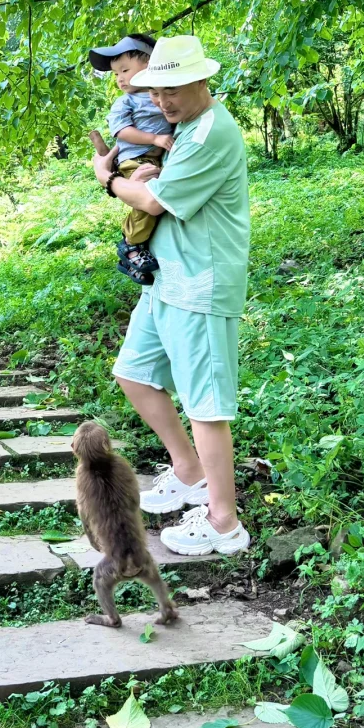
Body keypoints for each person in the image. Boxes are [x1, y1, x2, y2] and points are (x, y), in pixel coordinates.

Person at [91, 34, 251, 557]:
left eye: (172, 90)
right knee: (133, 372)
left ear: (203, 79)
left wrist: (109, 179)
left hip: (201, 283)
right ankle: (189, 471)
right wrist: (155, 169)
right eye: (155, 92)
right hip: (168, 279)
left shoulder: (210, 133)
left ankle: (224, 522)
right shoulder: (186, 129)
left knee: (206, 404)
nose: (162, 102)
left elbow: (154, 205)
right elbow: (169, 185)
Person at [88, 35, 175, 283]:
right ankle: (131, 244)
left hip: (153, 157)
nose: (120, 79)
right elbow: (122, 131)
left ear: (149, 65)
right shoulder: (124, 102)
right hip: (134, 158)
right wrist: (155, 139)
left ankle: (132, 258)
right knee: (148, 197)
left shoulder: (157, 95)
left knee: (154, 202)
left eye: (125, 70)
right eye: (116, 74)